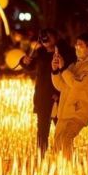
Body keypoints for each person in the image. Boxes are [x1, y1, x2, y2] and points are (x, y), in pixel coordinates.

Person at [21, 28, 76, 157]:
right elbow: (31, 66)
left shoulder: (67, 52)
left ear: (56, 37)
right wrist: (24, 62)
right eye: (43, 37)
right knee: (42, 132)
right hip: (42, 98)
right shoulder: (40, 53)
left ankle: (65, 159)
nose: (45, 39)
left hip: (60, 97)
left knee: (62, 132)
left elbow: (69, 73)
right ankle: (42, 159)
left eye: (48, 36)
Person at [51, 32, 88, 159]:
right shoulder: (76, 65)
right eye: (76, 44)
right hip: (64, 111)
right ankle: (59, 169)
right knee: (58, 143)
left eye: (80, 45)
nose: (76, 47)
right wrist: (55, 70)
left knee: (65, 139)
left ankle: (68, 168)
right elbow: (62, 86)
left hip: (77, 112)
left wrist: (64, 70)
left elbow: (77, 84)